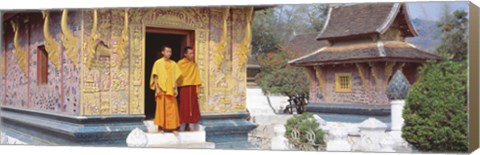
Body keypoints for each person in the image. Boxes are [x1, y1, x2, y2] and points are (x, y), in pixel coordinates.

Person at [149, 46, 182, 135]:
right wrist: (157, 88)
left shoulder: (174, 64)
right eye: (167, 51)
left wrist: (176, 89)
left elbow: (175, 78)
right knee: (161, 109)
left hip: (171, 89)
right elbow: (155, 77)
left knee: (172, 109)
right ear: (163, 52)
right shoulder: (158, 63)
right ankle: (160, 127)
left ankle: (173, 128)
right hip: (161, 89)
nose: (169, 53)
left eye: (170, 52)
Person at [177, 47, 202, 131]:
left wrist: (197, 87)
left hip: (192, 87)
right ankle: (179, 124)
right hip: (184, 86)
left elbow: (196, 75)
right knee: (183, 105)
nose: (192, 55)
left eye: (192, 53)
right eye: (190, 53)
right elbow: (177, 76)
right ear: (185, 54)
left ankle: (188, 125)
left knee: (192, 106)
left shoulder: (193, 64)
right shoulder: (180, 64)